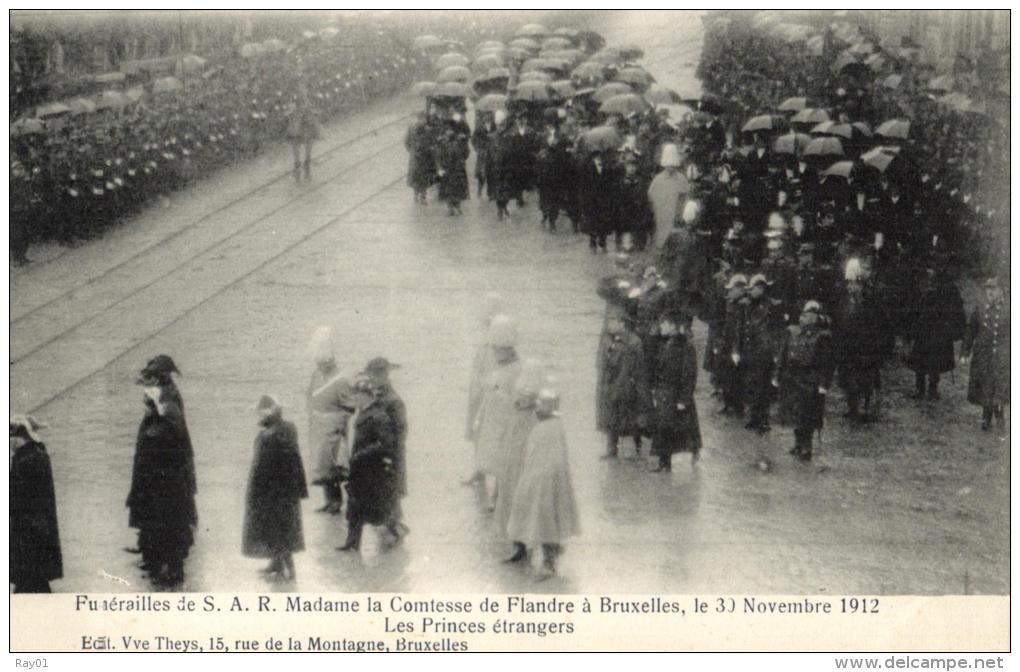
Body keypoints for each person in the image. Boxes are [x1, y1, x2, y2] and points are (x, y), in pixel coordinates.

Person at [126, 355, 197, 588]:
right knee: (160, 522)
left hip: (169, 482)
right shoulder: (161, 405)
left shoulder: (167, 405)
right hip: (159, 479)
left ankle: (172, 570)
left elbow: (172, 436)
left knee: (170, 524)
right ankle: (156, 560)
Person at [505, 388, 580, 581]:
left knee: (545, 516)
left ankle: (550, 561)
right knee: (524, 510)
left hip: (546, 480)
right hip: (532, 476)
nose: (537, 409)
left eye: (541, 406)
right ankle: (522, 547)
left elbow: (556, 458)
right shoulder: (540, 424)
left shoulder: (553, 427)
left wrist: (545, 476)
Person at [242, 395, 308, 582]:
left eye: (260, 413)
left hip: (271, 492)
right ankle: (277, 564)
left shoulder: (268, 436)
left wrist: (255, 494)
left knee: (276, 530)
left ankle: (289, 571)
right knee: (284, 528)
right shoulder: (288, 428)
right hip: (287, 491)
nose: (257, 417)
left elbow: (261, 468)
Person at [338, 377, 399, 552]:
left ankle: (392, 540)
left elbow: (385, 445)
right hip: (360, 471)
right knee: (354, 508)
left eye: (356, 395)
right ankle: (351, 543)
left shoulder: (378, 416)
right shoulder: (360, 414)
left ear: (366, 396)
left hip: (372, 472)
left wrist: (360, 455)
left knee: (375, 512)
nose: (354, 399)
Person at [494, 359, 545, 563]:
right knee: (512, 494)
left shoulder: (536, 419)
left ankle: (531, 544)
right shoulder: (515, 414)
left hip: (525, 461)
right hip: (513, 458)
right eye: (522, 396)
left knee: (526, 495)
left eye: (529, 397)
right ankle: (519, 544)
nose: (523, 400)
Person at [470, 314, 522, 504]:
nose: (495, 353)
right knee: (492, 454)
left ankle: (499, 494)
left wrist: (501, 396)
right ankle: (497, 492)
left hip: (507, 419)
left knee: (504, 456)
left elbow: (517, 397)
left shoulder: (517, 369)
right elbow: (488, 394)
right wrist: (479, 415)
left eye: (498, 350)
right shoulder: (498, 366)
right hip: (493, 418)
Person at [775, 301, 835, 461]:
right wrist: (778, 375)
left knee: (808, 415)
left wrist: (824, 384)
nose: (802, 318)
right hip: (793, 378)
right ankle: (797, 443)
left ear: (815, 318)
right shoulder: (793, 332)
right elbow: (784, 354)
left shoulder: (822, 337)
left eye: (807, 315)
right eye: (802, 315)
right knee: (795, 413)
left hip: (811, 380)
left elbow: (827, 363)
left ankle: (806, 446)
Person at [10, 415, 62, 593]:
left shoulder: (27, 459)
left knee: (30, 570)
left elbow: (16, 493)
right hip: (37, 521)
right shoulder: (34, 453)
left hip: (31, 522)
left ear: (18, 438)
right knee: (34, 573)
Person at [306, 327, 354, 515]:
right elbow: (309, 395)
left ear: (331, 361)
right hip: (318, 425)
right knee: (322, 465)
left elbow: (349, 407)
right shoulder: (316, 375)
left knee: (335, 467)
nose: (319, 365)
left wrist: (338, 424)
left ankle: (337, 502)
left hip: (333, 428)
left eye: (323, 362)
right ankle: (329, 500)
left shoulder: (341, 379)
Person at [362, 356, 409, 542]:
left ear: (383, 375)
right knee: (386, 496)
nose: (371, 380)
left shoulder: (393, 400)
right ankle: (394, 531)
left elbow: (401, 431)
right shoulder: (379, 396)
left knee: (390, 495)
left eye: (373, 376)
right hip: (380, 455)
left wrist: (389, 456)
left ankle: (397, 534)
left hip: (389, 457)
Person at [649, 315, 702, 472]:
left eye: (664, 324)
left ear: (673, 326)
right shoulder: (662, 343)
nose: (661, 328)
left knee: (682, 427)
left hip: (676, 393)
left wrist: (684, 399)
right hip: (664, 392)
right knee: (664, 427)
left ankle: (694, 451)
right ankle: (664, 462)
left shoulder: (685, 346)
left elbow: (689, 374)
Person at [905, 268, 966, 400]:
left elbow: (955, 307)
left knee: (935, 359)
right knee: (920, 359)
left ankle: (933, 389)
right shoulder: (920, 285)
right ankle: (919, 388)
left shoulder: (948, 287)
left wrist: (952, 328)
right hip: (923, 328)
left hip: (939, 330)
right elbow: (914, 307)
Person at [961, 278, 1010, 432]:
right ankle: (986, 417)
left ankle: (1000, 416)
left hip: (1002, 356)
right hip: (983, 355)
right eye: (988, 289)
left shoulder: (1009, 309)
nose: (990, 292)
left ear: (1001, 291)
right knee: (985, 386)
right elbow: (970, 332)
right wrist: (965, 351)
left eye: (994, 289)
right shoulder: (980, 309)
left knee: (1000, 386)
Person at [598, 317, 649, 459]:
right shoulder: (611, 340)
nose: (609, 326)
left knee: (632, 419)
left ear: (622, 324)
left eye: (613, 323)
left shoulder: (634, 342)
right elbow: (606, 364)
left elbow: (639, 368)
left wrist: (637, 387)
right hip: (614, 385)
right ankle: (612, 449)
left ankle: (637, 447)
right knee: (612, 418)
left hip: (629, 386)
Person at [647, 143, 689, 249]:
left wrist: (680, 212)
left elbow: (685, 197)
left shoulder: (681, 179)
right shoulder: (658, 179)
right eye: (668, 165)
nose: (671, 168)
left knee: (674, 238)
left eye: (673, 165)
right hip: (661, 214)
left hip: (675, 214)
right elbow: (651, 197)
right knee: (661, 237)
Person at [285, 93, 320, 182]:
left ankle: (303, 166)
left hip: (302, 130)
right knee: (298, 147)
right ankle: (300, 166)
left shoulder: (305, 103)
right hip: (297, 131)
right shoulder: (293, 104)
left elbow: (314, 112)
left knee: (304, 146)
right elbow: (287, 115)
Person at [405, 113, 436, 204]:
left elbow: (432, 142)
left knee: (424, 178)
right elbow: (407, 142)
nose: (423, 121)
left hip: (425, 157)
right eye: (421, 119)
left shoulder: (428, 130)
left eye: (424, 119)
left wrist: (430, 151)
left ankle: (423, 197)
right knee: (416, 177)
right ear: (418, 119)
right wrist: (412, 151)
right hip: (416, 157)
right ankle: (416, 195)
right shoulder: (412, 129)